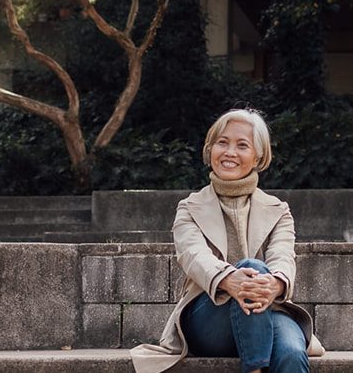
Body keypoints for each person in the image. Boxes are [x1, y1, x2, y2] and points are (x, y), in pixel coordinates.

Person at [131, 109, 324, 373]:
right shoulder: (189, 208)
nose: (229, 152)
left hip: (269, 308)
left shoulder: (279, 210)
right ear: (210, 150)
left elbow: (282, 258)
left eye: (242, 145)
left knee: (291, 353)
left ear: (258, 157)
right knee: (252, 268)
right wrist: (228, 280)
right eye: (222, 143)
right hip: (209, 319)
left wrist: (275, 284)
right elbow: (194, 257)